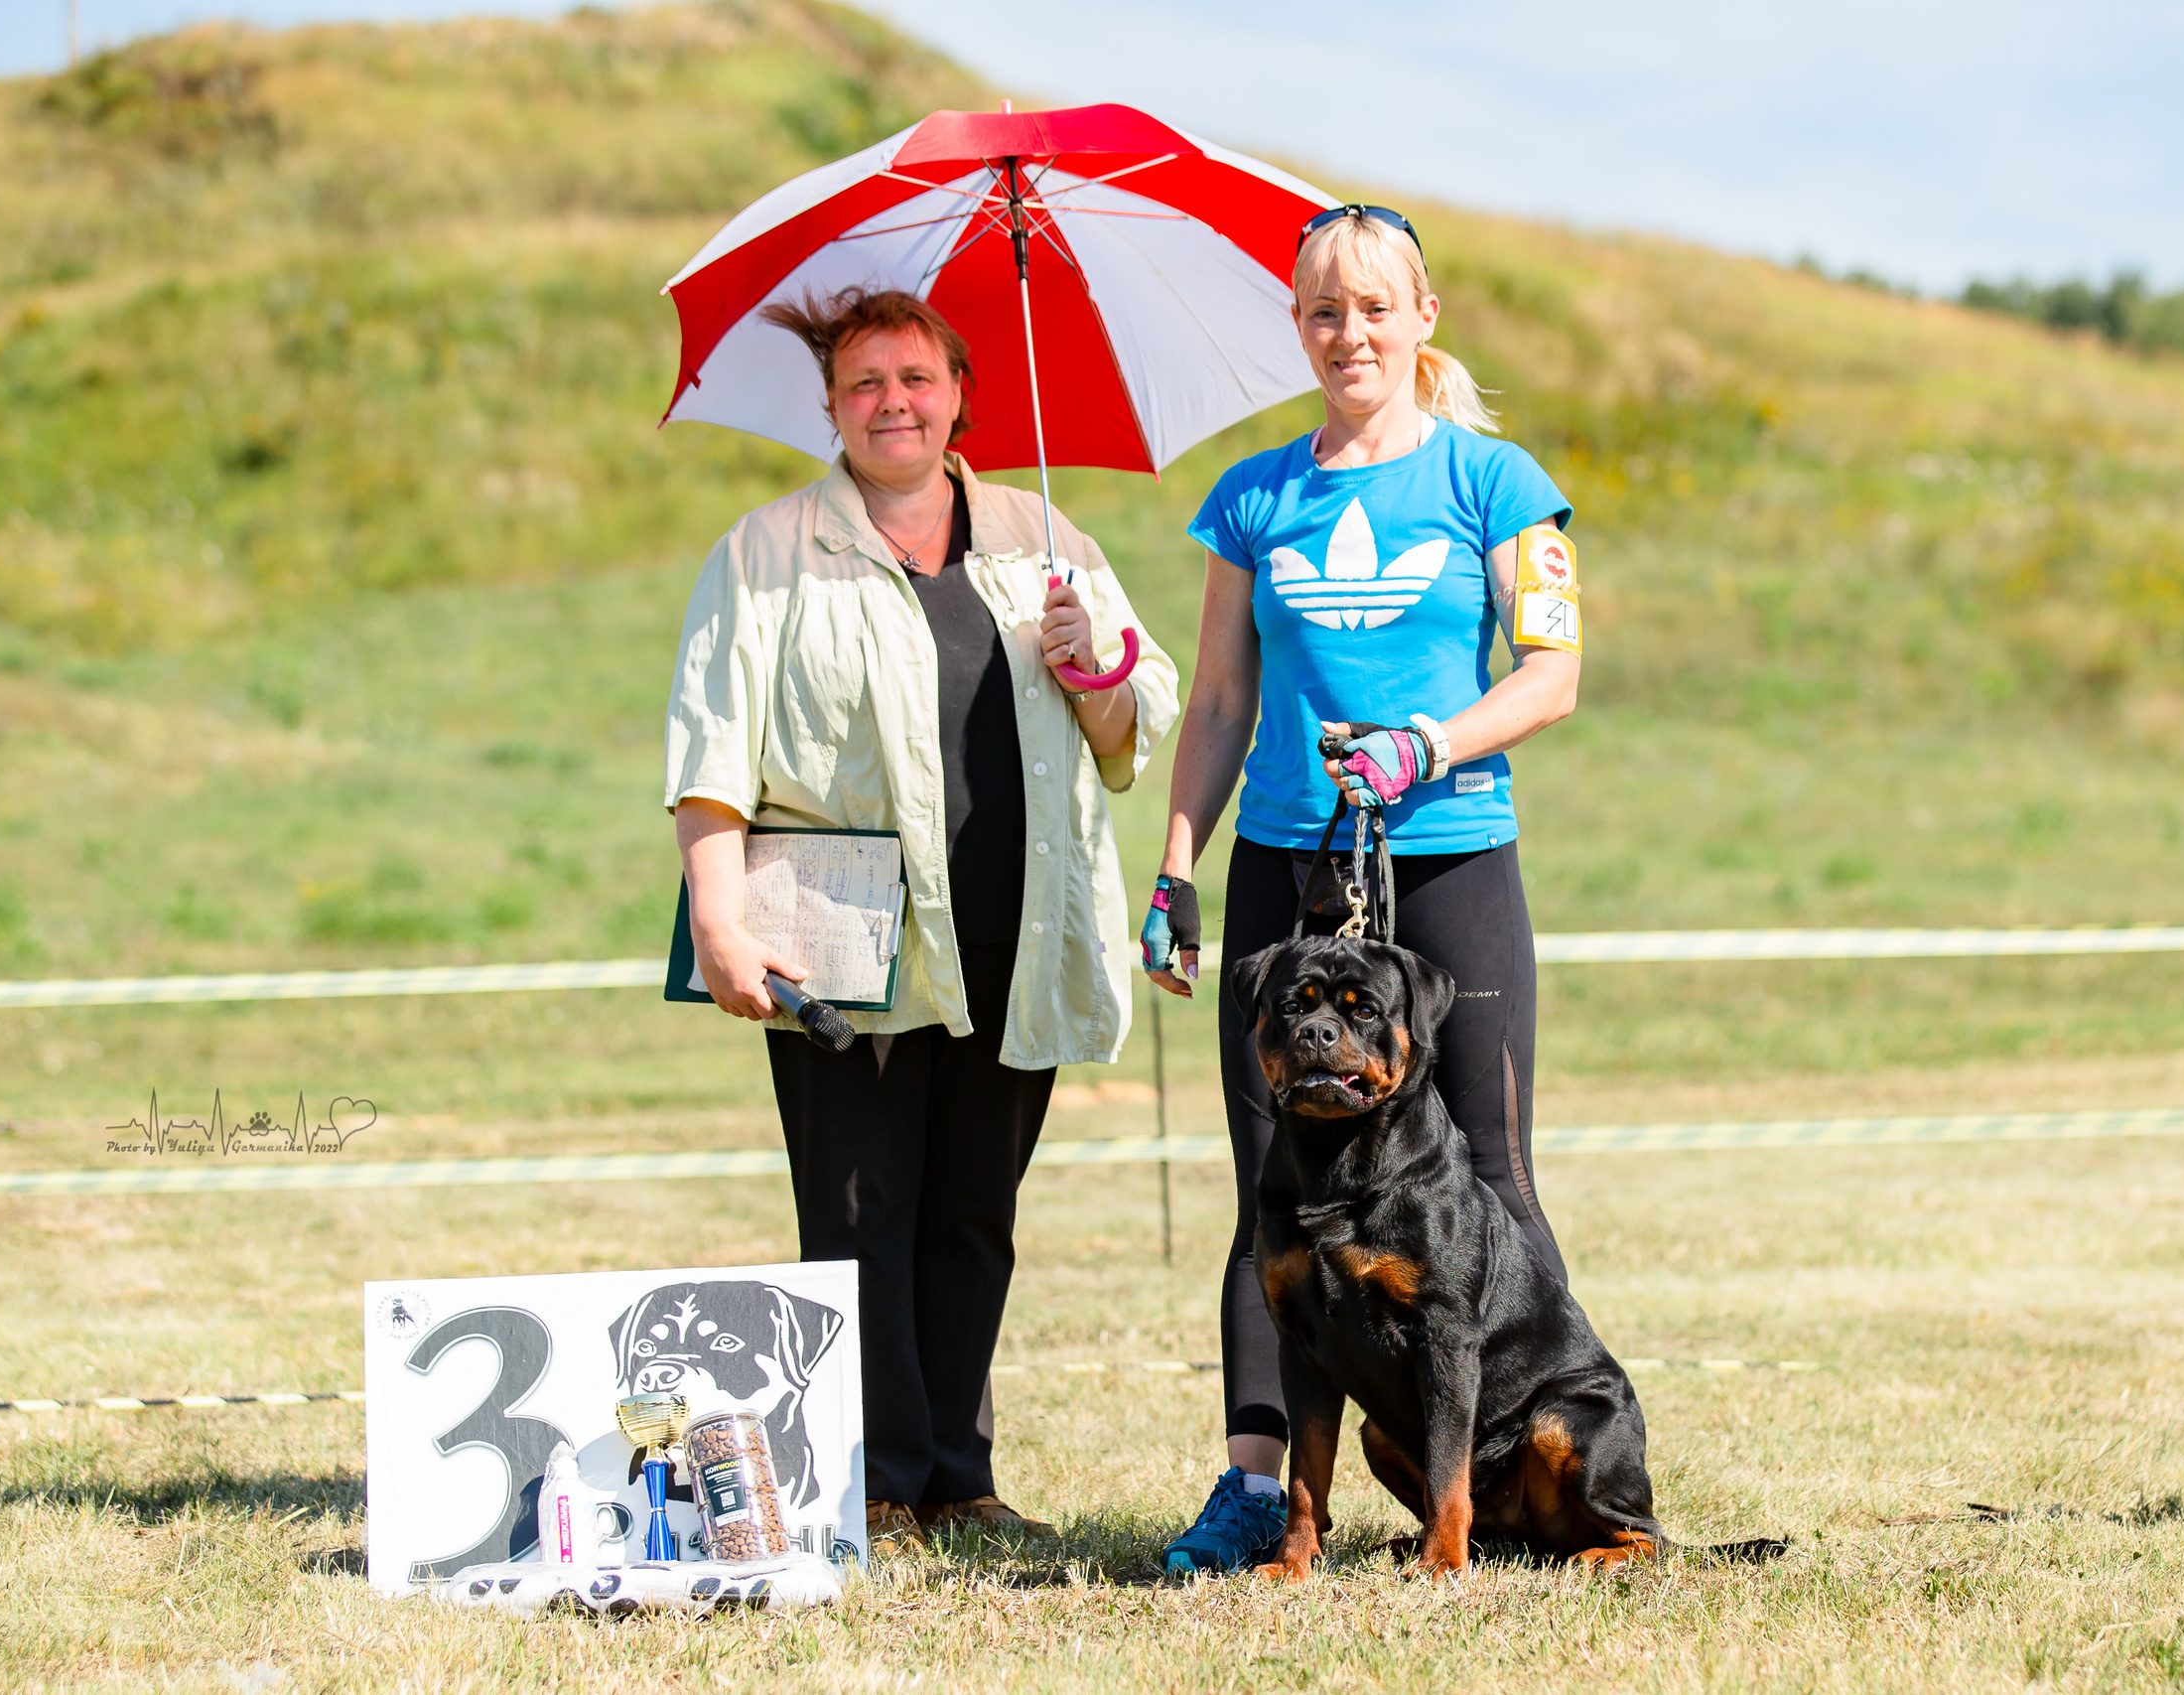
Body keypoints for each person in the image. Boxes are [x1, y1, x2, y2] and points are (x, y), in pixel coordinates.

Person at [664, 287, 1179, 1550]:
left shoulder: (1041, 533)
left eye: (915, 378)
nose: (892, 402)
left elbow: (1130, 723)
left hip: (1015, 936)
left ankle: (961, 1474)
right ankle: (875, 1483)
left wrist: (1093, 663)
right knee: (855, 1211)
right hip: (842, 944)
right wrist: (719, 922)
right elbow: (710, 752)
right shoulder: (764, 550)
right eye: (863, 385)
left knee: (972, 1211)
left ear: (957, 394)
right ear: (833, 410)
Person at [1139, 208, 1583, 1576]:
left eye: (1377, 308)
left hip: (1450, 850)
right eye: (1326, 311)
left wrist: (1431, 741)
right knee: (1275, 1188)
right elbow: (1219, 698)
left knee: (1492, 1174)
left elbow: (1552, 671)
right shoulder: (1255, 497)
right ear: (1298, 327)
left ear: (1423, 318)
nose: (1351, 333)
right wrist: (1172, 865)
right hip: (1287, 858)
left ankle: (1537, 1456)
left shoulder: (1497, 482)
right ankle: (1256, 1490)